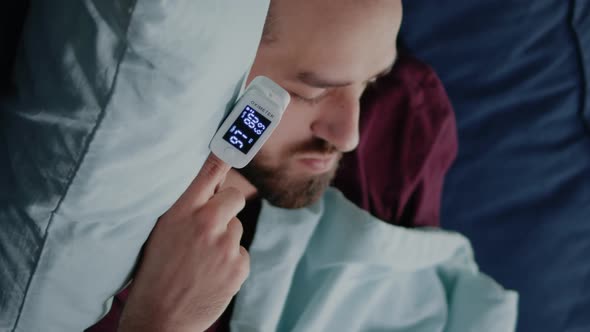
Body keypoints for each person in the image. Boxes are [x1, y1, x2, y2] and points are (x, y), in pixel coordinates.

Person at [90, 0, 515, 331]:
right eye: (312, 92)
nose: (349, 135)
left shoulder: (402, 119)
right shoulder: (115, 258)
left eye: (370, 81)